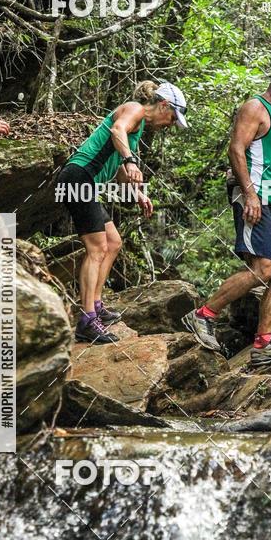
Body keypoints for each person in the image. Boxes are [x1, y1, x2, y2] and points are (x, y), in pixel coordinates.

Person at [183, 56, 271, 367]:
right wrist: (250, 194)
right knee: (263, 269)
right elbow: (236, 149)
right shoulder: (254, 108)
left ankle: (263, 345)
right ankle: (203, 315)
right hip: (256, 201)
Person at [57, 80, 188, 345]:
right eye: (173, 118)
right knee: (96, 249)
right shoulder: (135, 109)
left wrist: (137, 193)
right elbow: (117, 129)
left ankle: (96, 304)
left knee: (113, 242)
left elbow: (115, 165)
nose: (171, 125)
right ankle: (86, 320)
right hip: (78, 178)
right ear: (163, 105)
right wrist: (131, 160)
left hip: (86, 183)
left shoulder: (136, 130)